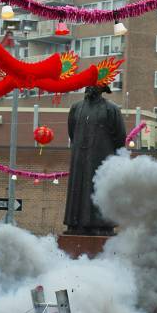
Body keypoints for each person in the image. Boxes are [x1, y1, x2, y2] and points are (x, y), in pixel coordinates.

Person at [64, 86, 126, 236]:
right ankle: (75, 224)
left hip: (101, 158)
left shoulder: (111, 109)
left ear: (102, 88)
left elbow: (120, 137)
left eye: (94, 84)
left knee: (97, 188)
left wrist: (107, 153)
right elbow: (72, 132)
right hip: (80, 157)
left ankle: (101, 225)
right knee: (78, 188)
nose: (89, 87)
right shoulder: (76, 108)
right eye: (88, 84)